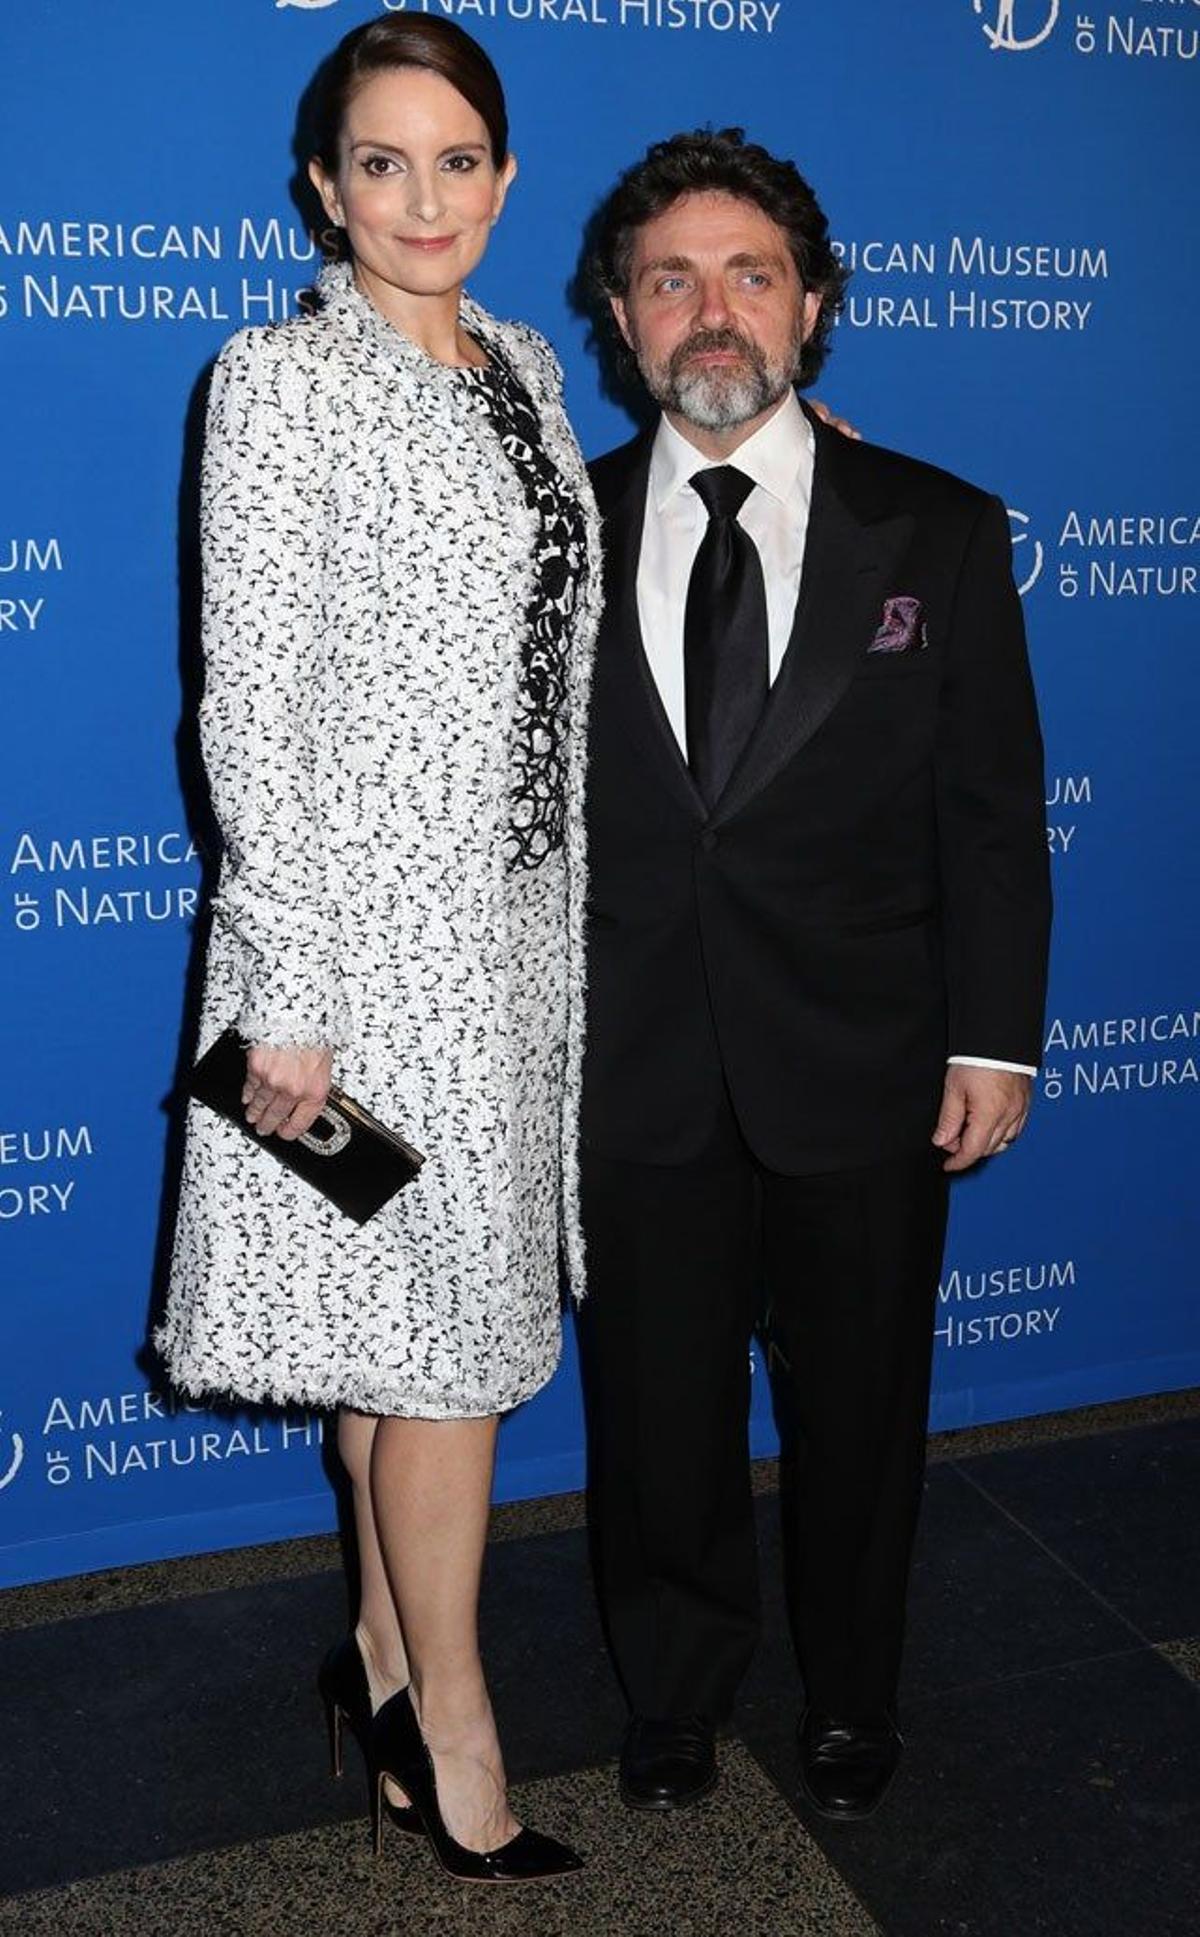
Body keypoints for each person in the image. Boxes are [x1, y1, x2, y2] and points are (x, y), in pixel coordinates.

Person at [156, 16, 599, 1883]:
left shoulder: (524, 363)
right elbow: (245, 710)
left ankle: (379, 1658)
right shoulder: (275, 378)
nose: (427, 199)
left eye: (461, 158)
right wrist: (289, 1002)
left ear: (504, 173)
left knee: (400, 1343)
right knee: (449, 1361)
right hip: (362, 969)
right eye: (384, 163)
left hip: (514, 948)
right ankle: (458, 1737)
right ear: (324, 187)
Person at [576, 129, 1052, 1821]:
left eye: (749, 273)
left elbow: (994, 813)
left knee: (861, 1412)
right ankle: (677, 1690)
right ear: (622, 319)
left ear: (815, 303)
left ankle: (854, 1695)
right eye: (670, 278)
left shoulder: (936, 527)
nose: (712, 311)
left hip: (865, 1055)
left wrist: (998, 1038)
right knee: (657, 1414)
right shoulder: (550, 534)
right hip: (626, 1062)